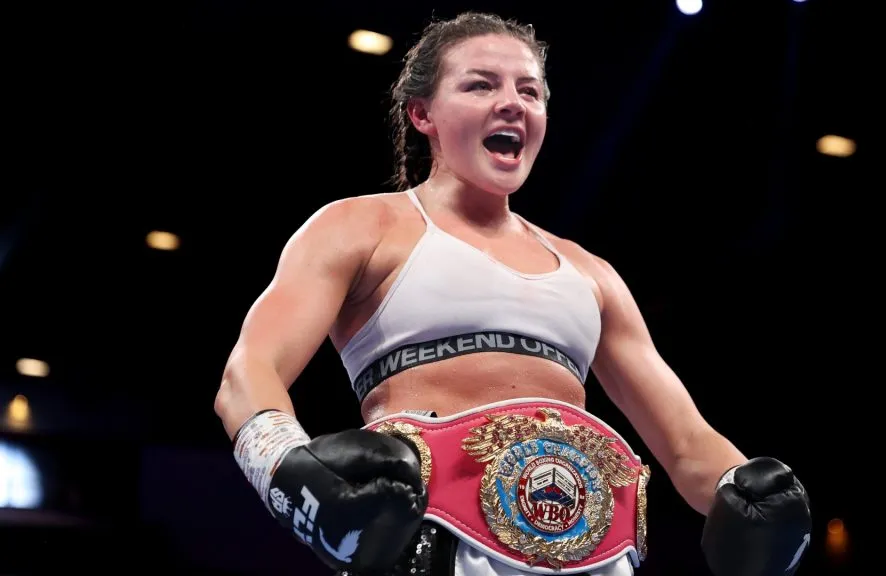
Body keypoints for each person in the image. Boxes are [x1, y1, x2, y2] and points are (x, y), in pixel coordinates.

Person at [214, 11, 812, 576]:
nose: (511, 103)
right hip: (434, 543)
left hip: (595, 555)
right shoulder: (364, 226)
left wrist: (747, 489)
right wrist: (289, 471)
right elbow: (248, 374)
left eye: (529, 91)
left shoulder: (589, 272)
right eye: (480, 85)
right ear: (423, 113)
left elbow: (685, 444)